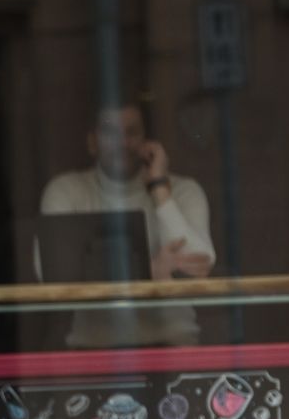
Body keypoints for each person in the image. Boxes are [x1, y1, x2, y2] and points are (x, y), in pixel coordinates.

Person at [38, 101, 216, 348]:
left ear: (148, 141)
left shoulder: (184, 190)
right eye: (111, 132)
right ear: (92, 142)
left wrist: (159, 189)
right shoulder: (66, 191)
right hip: (93, 351)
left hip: (174, 348)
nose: (123, 143)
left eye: (132, 133)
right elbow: (51, 273)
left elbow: (199, 265)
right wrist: (148, 271)